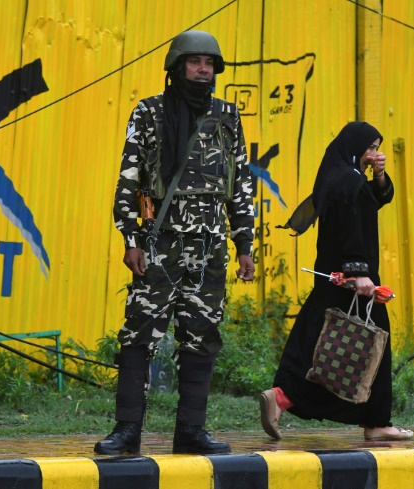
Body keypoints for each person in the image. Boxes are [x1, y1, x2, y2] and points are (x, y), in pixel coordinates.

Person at [95, 30, 255, 456]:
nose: (203, 70)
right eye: (195, 62)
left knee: (202, 337)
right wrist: (131, 239)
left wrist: (244, 244)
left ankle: (191, 432)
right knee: (139, 334)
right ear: (177, 66)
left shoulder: (227, 116)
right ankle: (127, 431)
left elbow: (240, 184)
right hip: (159, 241)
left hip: (209, 245)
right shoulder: (149, 113)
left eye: (210, 64)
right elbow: (128, 181)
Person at [259, 121, 412, 442]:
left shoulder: (341, 176)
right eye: (370, 148)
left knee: (317, 344)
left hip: (332, 278)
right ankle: (376, 421)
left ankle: (281, 397)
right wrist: (360, 274)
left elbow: (374, 199)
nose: (374, 154)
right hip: (353, 282)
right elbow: (352, 226)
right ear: (355, 148)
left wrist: (379, 176)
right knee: (373, 348)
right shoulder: (349, 181)